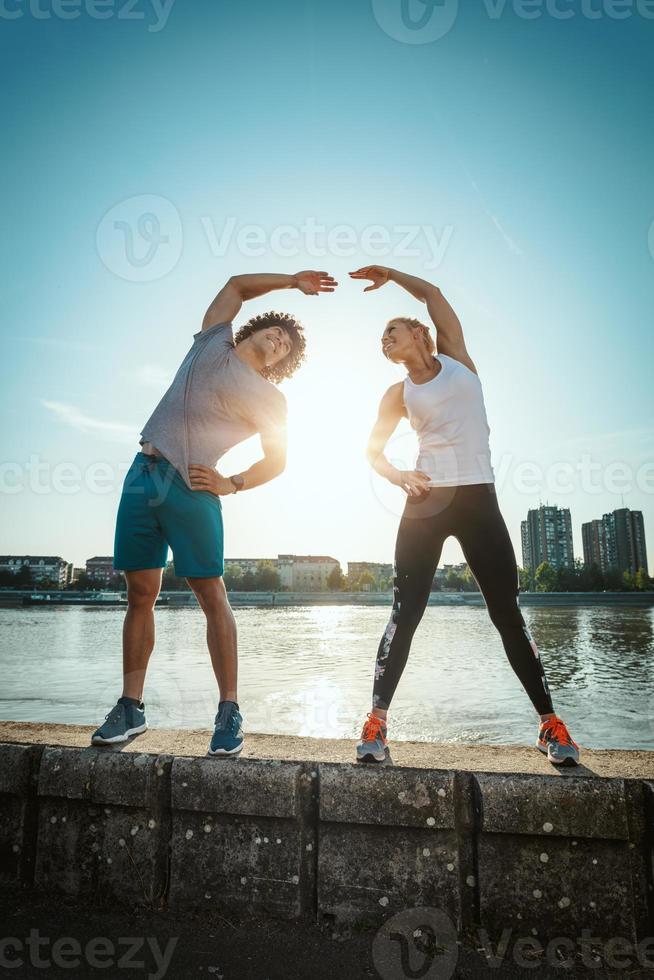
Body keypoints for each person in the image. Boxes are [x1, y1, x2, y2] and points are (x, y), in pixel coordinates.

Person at [91, 270, 337, 755]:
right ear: (253, 328)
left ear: (284, 363)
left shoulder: (271, 398)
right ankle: (131, 707)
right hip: (144, 473)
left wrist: (232, 483)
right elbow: (236, 286)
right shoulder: (211, 340)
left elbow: (278, 460)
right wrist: (292, 281)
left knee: (211, 595)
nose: (279, 341)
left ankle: (228, 712)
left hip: (195, 487)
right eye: (276, 332)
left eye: (287, 345)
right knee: (140, 593)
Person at [350, 265, 579, 767]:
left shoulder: (458, 360)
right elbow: (373, 451)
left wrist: (389, 274)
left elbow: (432, 293)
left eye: (391, 330)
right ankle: (376, 721)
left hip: (478, 499)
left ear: (419, 335)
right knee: (404, 613)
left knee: (507, 614)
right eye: (380, 337)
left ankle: (549, 724)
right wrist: (398, 476)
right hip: (426, 502)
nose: (384, 339)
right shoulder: (396, 394)